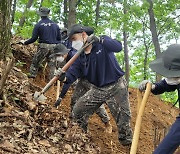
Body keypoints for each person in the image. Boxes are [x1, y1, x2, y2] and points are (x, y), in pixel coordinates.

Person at [55, 24, 132, 146]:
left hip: (117, 85)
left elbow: (118, 46)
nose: (73, 43)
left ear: (83, 35)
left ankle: (127, 142)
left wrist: (101, 40)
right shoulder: (79, 57)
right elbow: (72, 75)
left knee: (123, 117)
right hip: (98, 89)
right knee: (78, 110)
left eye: (74, 39)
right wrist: (63, 77)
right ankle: (83, 138)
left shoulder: (101, 43)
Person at [138, 44, 180, 154]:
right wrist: (153, 87)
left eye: (175, 76)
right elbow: (168, 84)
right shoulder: (176, 78)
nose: (172, 78)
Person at [20, 7, 61, 78]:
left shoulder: (38, 25)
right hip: (54, 47)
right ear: (48, 14)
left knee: (36, 62)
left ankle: (32, 76)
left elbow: (34, 38)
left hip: (43, 47)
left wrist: (25, 42)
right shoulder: (55, 25)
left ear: (40, 14)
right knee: (52, 65)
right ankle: (51, 81)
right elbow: (59, 39)